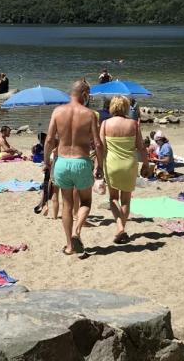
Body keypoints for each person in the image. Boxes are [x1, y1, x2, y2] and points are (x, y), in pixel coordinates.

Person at [44, 79, 103, 256]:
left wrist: (47, 161)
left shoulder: (57, 111)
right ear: (84, 95)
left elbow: (48, 140)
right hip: (81, 161)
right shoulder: (89, 114)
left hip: (62, 162)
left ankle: (69, 246)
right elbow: (98, 144)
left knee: (67, 205)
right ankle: (77, 231)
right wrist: (99, 165)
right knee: (85, 202)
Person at [99, 96, 147, 244]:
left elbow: (101, 147)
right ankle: (121, 229)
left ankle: (120, 228)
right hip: (129, 165)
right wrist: (146, 163)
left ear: (112, 107)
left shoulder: (105, 124)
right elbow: (141, 147)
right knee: (126, 200)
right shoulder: (133, 124)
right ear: (126, 107)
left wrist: (98, 167)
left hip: (112, 164)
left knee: (113, 198)